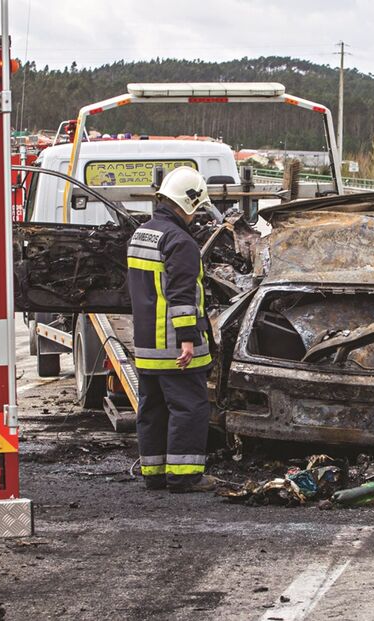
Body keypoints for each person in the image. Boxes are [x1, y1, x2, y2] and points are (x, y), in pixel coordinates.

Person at [126, 166, 221, 493]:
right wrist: (188, 340)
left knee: (151, 409)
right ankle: (184, 476)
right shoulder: (181, 242)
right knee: (189, 407)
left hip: (147, 344)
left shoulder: (142, 234)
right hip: (174, 348)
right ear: (189, 203)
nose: (197, 218)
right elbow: (183, 298)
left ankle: (154, 473)